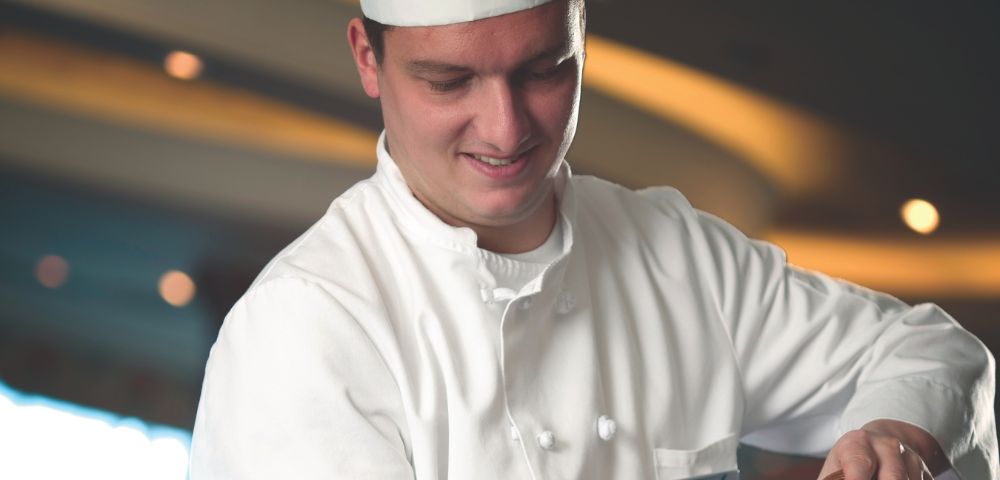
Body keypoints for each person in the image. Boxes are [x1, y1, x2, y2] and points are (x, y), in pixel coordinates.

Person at [189, 1, 998, 479]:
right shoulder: (303, 331)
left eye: (544, 69)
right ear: (369, 57)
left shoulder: (675, 252)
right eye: (451, 81)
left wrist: (894, 437)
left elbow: (934, 353)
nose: (506, 129)